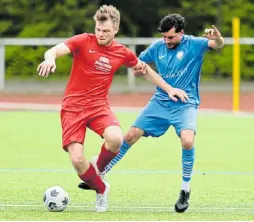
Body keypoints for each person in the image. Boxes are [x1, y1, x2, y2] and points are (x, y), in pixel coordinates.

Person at [37, 6, 188, 213]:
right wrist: (50, 58)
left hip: (98, 106)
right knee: (77, 159)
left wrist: (169, 89)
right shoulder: (83, 40)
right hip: (72, 107)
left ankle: (98, 168)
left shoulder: (122, 52)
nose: (100, 34)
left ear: (115, 29)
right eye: (98, 29)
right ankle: (101, 189)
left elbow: (145, 72)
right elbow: (54, 50)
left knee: (116, 139)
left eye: (106, 31)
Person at [78, 13, 224, 212]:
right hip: (159, 102)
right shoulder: (158, 47)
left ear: (181, 32)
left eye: (171, 37)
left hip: (185, 104)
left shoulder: (194, 44)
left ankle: (185, 190)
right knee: (129, 135)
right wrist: (137, 70)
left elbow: (218, 45)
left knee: (188, 141)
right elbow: (138, 64)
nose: (166, 41)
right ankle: (102, 171)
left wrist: (216, 37)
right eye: (164, 37)